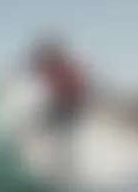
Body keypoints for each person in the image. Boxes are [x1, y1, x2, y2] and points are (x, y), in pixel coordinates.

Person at [26, 32, 94, 178]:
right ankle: (51, 164)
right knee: (46, 131)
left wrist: (76, 106)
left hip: (68, 107)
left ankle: (61, 169)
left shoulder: (63, 68)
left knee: (59, 138)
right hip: (60, 106)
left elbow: (79, 89)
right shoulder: (54, 67)